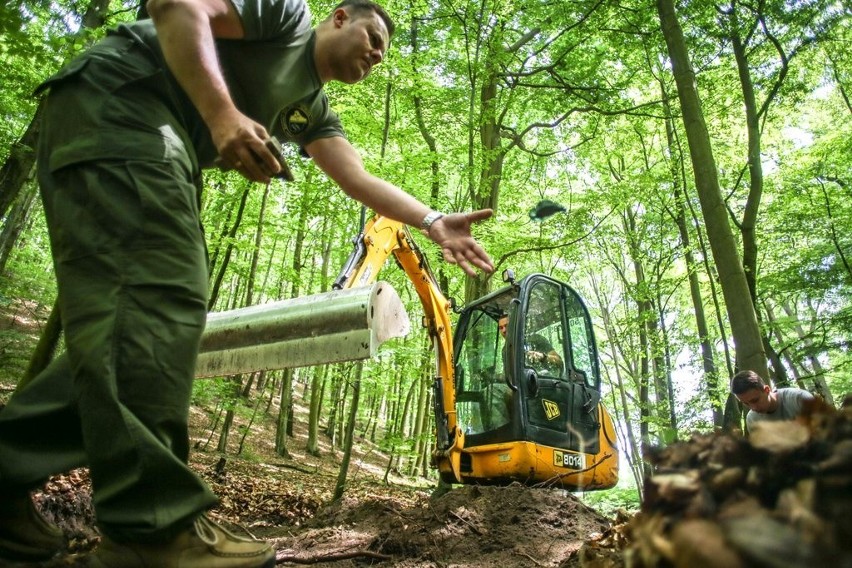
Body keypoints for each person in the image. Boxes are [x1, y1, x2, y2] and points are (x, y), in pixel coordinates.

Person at [0, 0, 494, 566]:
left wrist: (432, 222)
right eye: (373, 36)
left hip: (153, 141)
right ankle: (149, 530)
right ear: (337, 17)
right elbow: (175, 6)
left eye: (384, 51)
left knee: (145, 326)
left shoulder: (308, 109)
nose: (377, 54)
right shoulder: (283, 17)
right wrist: (221, 113)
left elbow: (355, 176)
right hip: (120, 103)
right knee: (160, 300)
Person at [730, 370, 815, 432]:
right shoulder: (753, 420)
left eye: (755, 400)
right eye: (746, 403)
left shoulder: (799, 399)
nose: (753, 407)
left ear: (767, 390)